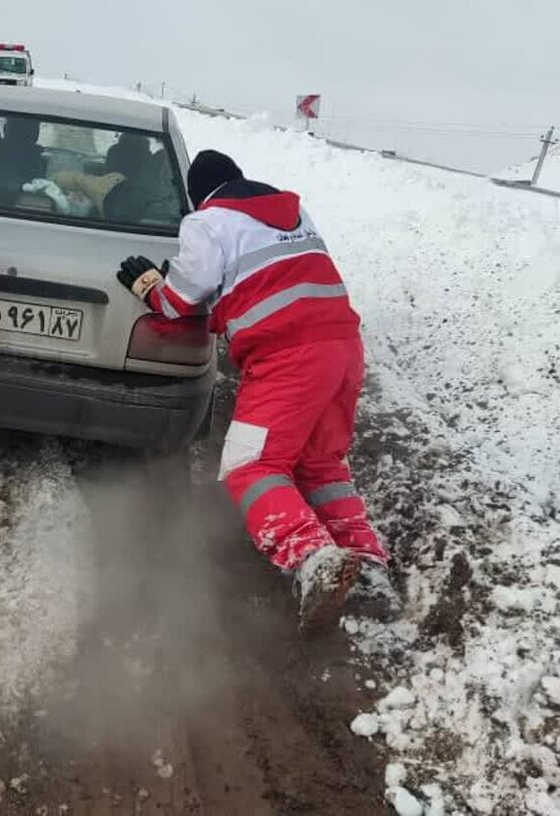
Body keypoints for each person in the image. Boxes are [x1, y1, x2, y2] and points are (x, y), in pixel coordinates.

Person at [116, 149, 386, 633]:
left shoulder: (208, 222)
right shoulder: (294, 211)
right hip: (343, 348)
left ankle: (310, 556)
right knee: (321, 463)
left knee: (252, 463)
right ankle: (367, 567)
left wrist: (150, 286)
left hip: (289, 356)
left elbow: (180, 301)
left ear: (200, 195)